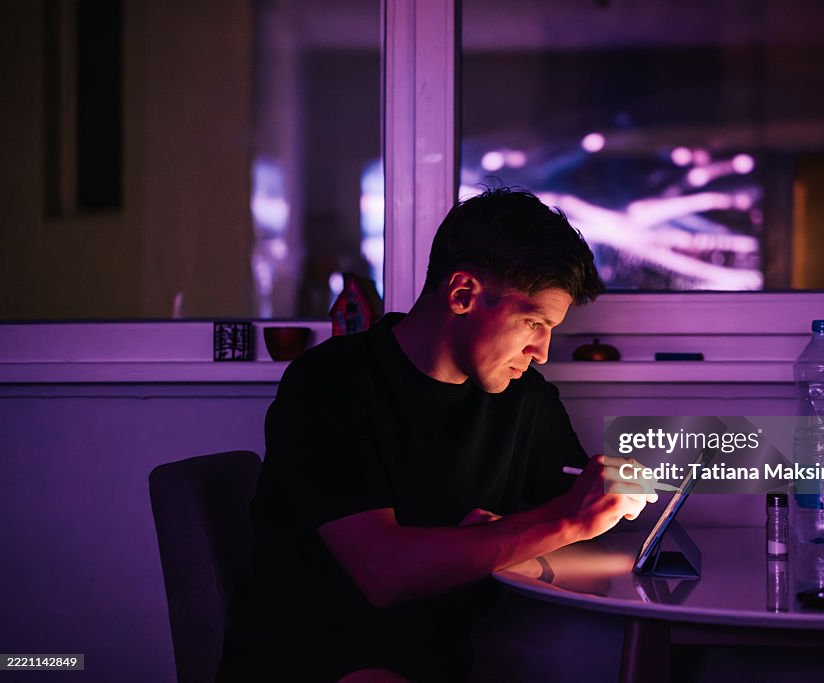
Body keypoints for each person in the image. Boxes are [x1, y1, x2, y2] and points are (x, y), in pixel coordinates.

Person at [216, 187, 659, 682]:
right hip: (316, 661)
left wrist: (517, 537)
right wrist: (555, 524)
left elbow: (580, 549)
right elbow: (384, 573)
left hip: (438, 664)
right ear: (463, 294)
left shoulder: (523, 398)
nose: (541, 351)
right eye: (532, 321)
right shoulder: (330, 383)